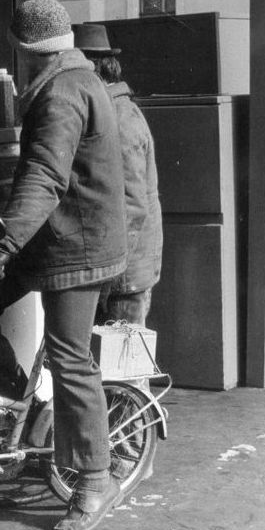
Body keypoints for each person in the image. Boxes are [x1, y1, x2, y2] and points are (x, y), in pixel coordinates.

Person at [0, 0, 127, 530]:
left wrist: (2, 245)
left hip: (76, 247)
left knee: (71, 359)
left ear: (23, 52)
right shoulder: (73, 78)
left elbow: (46, 177)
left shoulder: (62, 93)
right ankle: (25, 408)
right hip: (55, 239)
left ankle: (96, 480)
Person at [74, 23, 163, 328]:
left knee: (122, 373)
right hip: (123, 273)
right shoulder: (114, 111)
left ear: (91, 71)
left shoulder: (119, 119)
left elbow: (132, 207)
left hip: (122, 279)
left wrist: (105, 277)